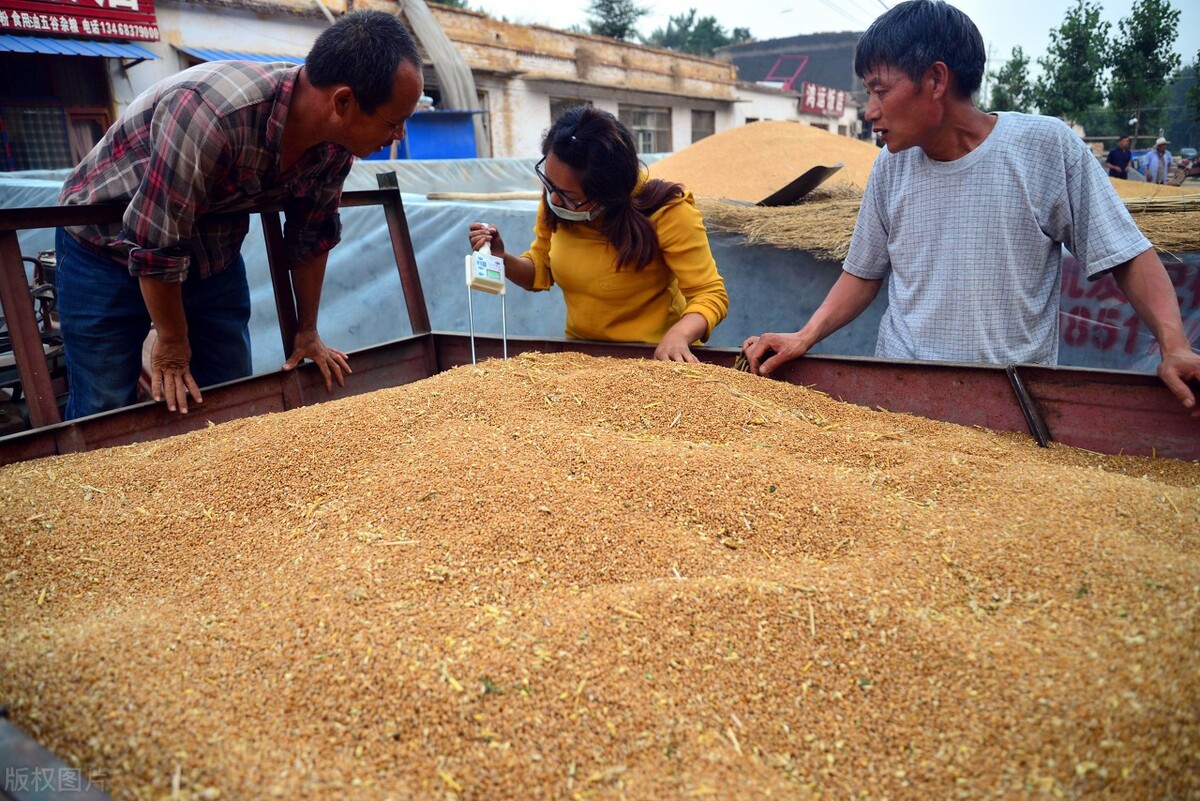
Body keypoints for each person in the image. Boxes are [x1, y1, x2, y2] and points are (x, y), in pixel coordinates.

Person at [742, 0, 1199, 418]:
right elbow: (863, 273)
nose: (870, 111)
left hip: (1011, 403)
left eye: (879, 91)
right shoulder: (890, 167)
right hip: (901, 399)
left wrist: (1174, 345)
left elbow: (1126, 254)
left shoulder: (1044, 149)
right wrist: (805, 336)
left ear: (936, 80)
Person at [55, 10, 424, 418]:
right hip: (107, 248)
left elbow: (312, 235)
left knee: (233, 399)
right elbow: (155, 244)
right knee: (103, 409)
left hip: (211, 255)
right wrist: (173, 342)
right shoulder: (211, 113)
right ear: (343, 101)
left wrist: (308, 330)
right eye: (395, 121)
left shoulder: (335, 143)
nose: (399, 136)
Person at [466, 105, 728, 362]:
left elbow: (709, 294)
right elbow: (541, 268)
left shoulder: (667, 212)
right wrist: (502, 258)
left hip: (654, 360)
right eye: (550, 184)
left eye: (570, 196)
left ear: (609, 194)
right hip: (583, 358)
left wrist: (678, 336)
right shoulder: (557, 200)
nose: (554, 199)